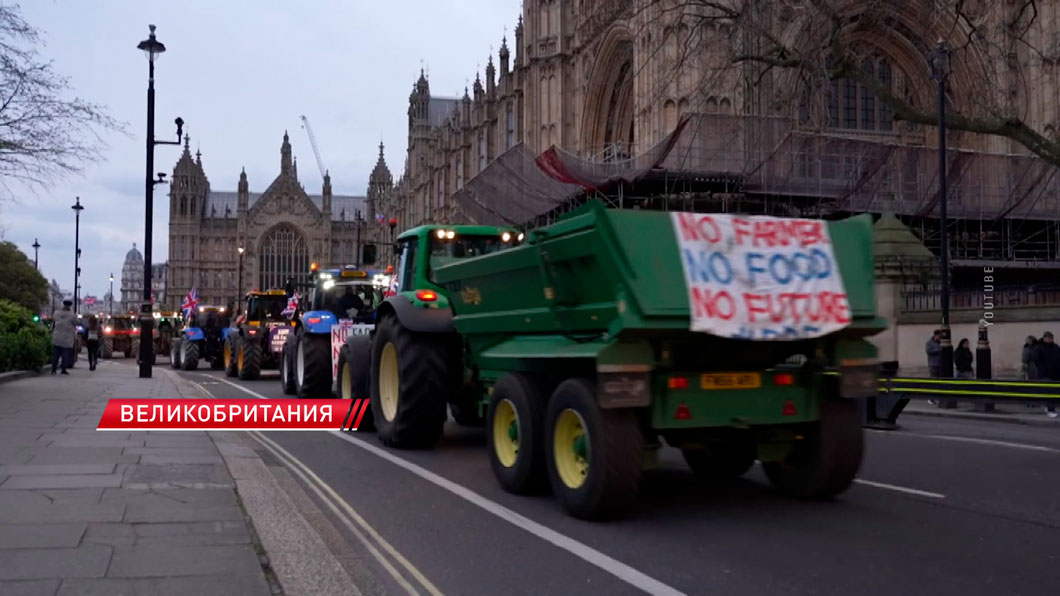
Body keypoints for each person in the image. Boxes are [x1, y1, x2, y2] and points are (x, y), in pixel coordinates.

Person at [1031, 331, 1060, 418]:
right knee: (1049, 391)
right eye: (1048, 338)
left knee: (1055, 391)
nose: (1050, 339)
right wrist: (1044, 368)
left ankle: (1049, 408)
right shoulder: (1039, 348)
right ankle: (1050, 410)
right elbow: (1036, 360)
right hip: (1045, 374)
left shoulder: (1056, 347)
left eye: (1051, 338)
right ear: (1044, 338)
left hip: (1056, 373)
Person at [50, 300, 77, 375]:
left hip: (57, 335)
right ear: (70, 306)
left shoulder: (56, 313)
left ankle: (53, 370)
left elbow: (53, 319)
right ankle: (63, 369)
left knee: (56, 354)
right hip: (67, 337)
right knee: (65, 354)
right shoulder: (72, 315)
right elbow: (77, 322)